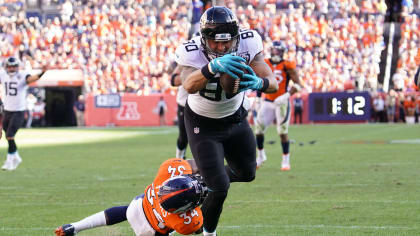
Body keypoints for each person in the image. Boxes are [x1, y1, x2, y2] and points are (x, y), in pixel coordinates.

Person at [175, 6, 278, 236]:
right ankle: (208, 233)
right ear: (204, 39)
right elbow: (188, 85)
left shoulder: (249, 42)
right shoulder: (191, 50)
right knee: (219, 188)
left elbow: (273, 82)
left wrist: (259, 83)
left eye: (226, 42)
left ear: (236, 37)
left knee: (247, 173)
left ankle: (200, 175)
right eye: (215, 43)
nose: (221, 48)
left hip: (235, 118)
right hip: (203, 123)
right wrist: (211, 67)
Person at [55, 158, 208, 236]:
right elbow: (199, 227)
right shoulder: (184, 220)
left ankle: (75, 227)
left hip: (136, 206)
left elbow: (190, 164)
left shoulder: (167, 172)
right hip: (150, 231)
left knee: (123, 212)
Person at [254, 40, 304, 170]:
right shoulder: (265, 63)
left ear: (282, 52)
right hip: (268, 101)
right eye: (274, 50)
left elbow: (298, 85)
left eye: (278, 51)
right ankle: (260, 156)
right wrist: (258, 99)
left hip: (282, 102)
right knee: (258, 130)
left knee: (282, 132)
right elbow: (260, 81)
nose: (275, 53)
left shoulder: (287, 65)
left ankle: (285, 160)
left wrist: (286, 95)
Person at [0, 57, 47, 171]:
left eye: (13, 66)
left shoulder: (22, 75)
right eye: (9, 66)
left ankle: (10, 160)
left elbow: (31, 79)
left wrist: (42, 73)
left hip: (19, 111)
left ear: (17, 66)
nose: (11, 68)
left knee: (10, 135)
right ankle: (16, 156)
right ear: (6, 67)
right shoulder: (3, 74)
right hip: (7, 110)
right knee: (8, 136)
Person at [170, 62, 189, 159]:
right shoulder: (184, 64)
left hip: (201, 105)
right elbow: (173, 80)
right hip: (184, 104)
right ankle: (179, 159)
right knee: (183, 136)